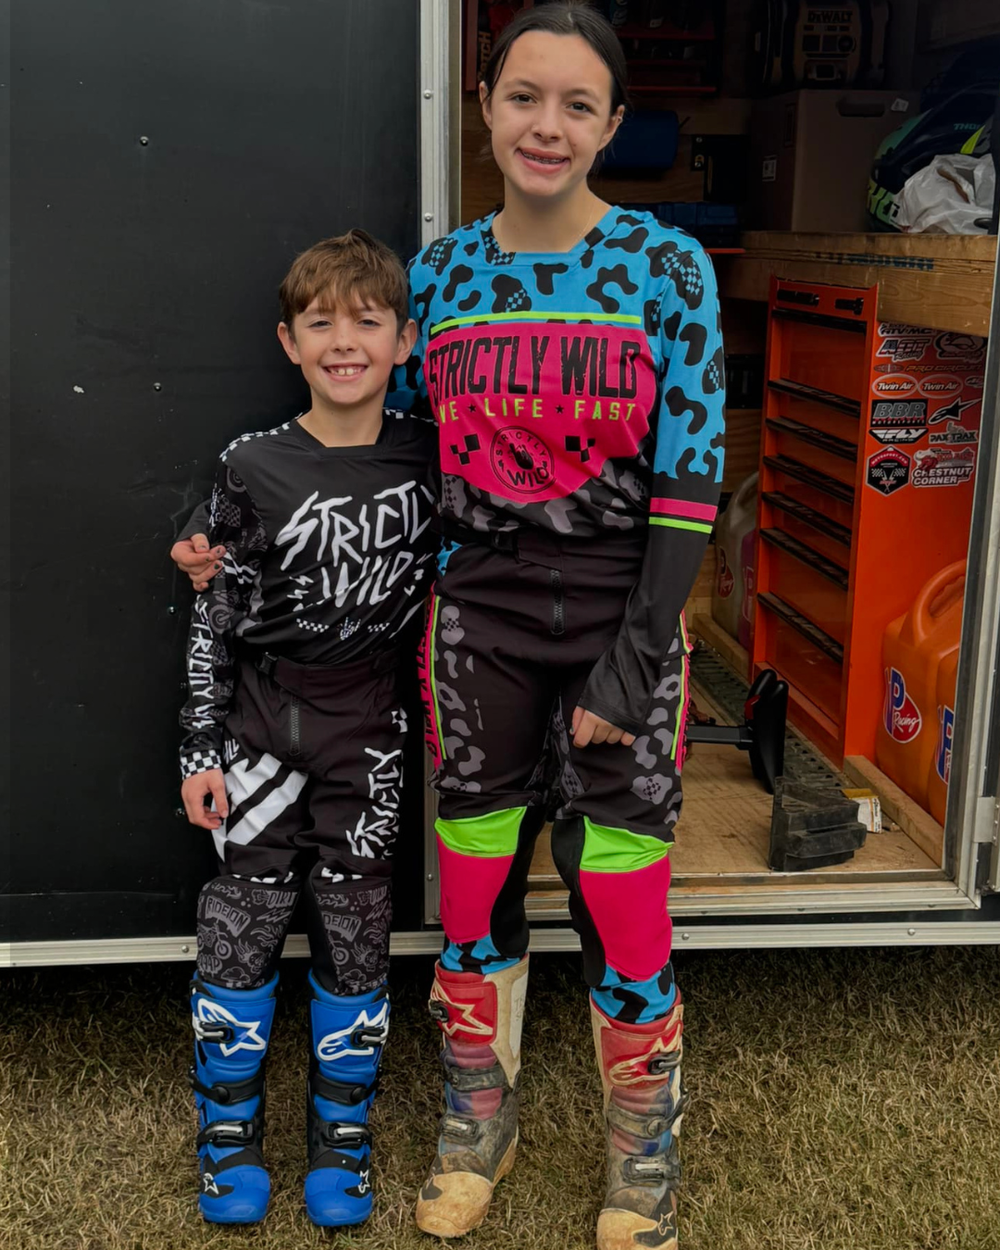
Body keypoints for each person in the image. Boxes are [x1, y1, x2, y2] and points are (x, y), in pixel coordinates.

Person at [173, 5, 725, 1245]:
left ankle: (643, 1155)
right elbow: (397, 460)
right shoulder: (441, 279)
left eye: (578, 104)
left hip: (618, 617)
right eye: (525, 95)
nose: (547, 125)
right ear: (482, 103)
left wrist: (636, 656)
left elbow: (694, 478)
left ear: (611, 125)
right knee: (473, 892)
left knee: (623, 895)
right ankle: (480, 1117)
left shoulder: (667, 269)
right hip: (475, 625)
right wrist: (231, 537)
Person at [176, 229, 436, 1228]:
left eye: (367, 321)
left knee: (357, 925)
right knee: (239, 920)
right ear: (289, 342)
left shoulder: (430, 453)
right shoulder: (251, 462)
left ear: (404, 339)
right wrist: (201, 747)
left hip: (369, 726)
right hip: (259, 725)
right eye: (320, 322)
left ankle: (343, 1138)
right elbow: (210, 611)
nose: (344, 341)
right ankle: (228, 1137)